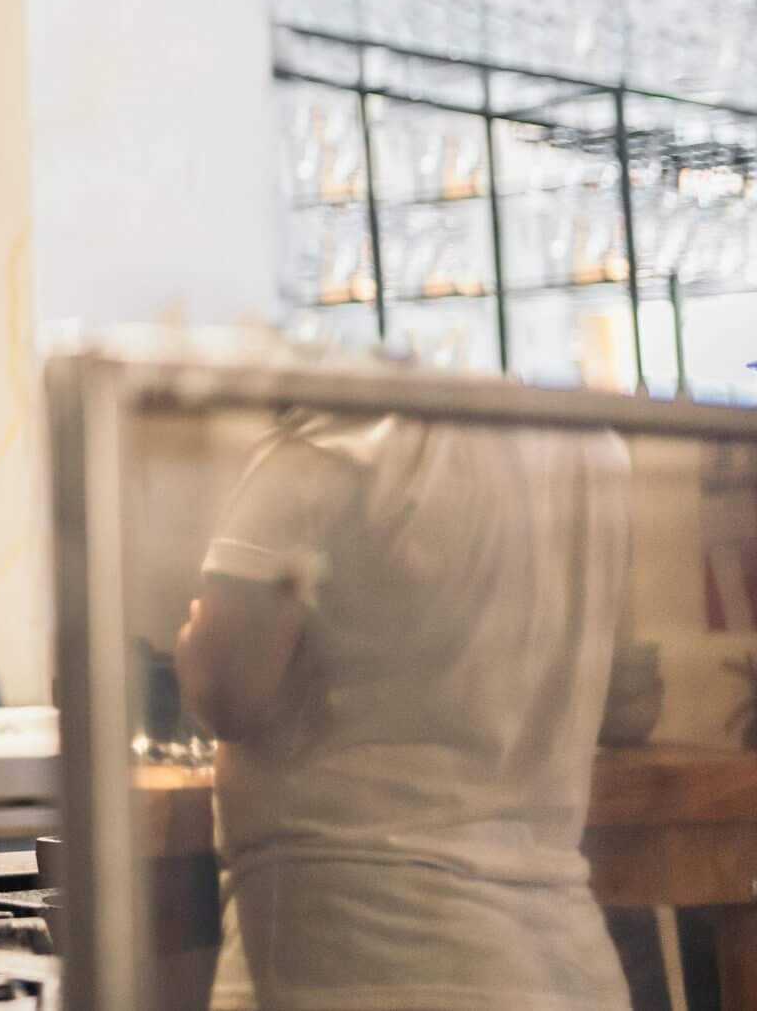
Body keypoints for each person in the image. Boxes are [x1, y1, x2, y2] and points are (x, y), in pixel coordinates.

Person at [175, 407, 633, 1011]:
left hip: (356, 960)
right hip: (558, 967)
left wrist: (192, 638)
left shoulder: (333, 446)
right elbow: (617, 686)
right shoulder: (593, 449)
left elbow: (225, 691)